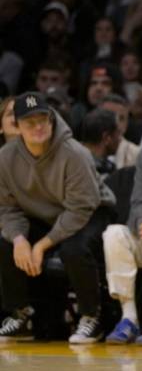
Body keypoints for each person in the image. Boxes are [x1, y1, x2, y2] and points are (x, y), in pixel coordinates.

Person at [0, 92, 115, 343]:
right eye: (30, 122)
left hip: (91, 211)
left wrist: (41, 245)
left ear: (52, 120)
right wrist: (20, 240)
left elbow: (80, 208)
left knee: (74, 249)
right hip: (44, 215)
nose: (38, 126)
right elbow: (7, 209)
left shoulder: (74, 153)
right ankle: (20, 313)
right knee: (5, 242)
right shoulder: (5, 158)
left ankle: (90, 316)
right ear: (17, 127)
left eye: (43, 119)